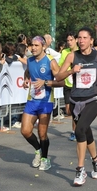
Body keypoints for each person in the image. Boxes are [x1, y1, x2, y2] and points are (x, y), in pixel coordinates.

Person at [55, 26, 97, 186]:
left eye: (84, 38)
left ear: (91, 40)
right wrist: (71, 71)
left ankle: (80, 169)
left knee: (79, 130)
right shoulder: (71, 56)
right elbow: (58, 76)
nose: (81, 41)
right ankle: (96, 160)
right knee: (86, 131)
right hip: (76, 101)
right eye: (79, 38)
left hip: (93, 99)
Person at [21, 36, 64, 171]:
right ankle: (38, 150)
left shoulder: (51, 62)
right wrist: (26, 80)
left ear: (43, 46)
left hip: (46, 101)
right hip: (32, 100)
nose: (33, 48)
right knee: (25, 131)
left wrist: (45, 82)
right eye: (31, 45)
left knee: (42, 133)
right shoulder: (30, 60)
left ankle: (45, 159)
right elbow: (27, 72)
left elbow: (61, 82)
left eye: (36, 45)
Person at [59, 32, 79, 141]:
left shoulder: (80, 52)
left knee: (76, 110)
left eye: (71, 40)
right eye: (68, 40)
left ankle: (74, 131)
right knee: (69, 111)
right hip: (67, 84)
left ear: (76, 40)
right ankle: (77, 126)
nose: (69, 42)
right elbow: (60, 65)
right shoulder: (65, 52)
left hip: (77, 85)